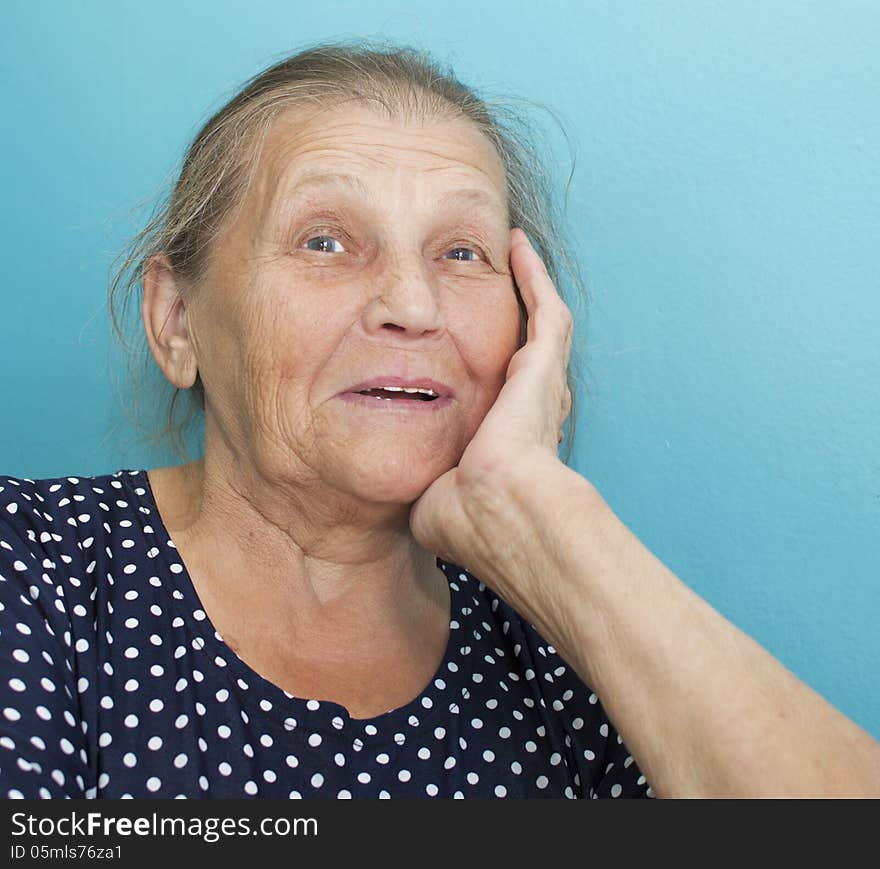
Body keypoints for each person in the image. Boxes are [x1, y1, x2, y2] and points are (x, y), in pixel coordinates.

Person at [2, 41, 878, 800]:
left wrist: (545, 516)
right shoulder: (34, 570)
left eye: (462, 253)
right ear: (177, 321)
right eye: (325, 240)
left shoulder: (572, 642)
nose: (413, 306)